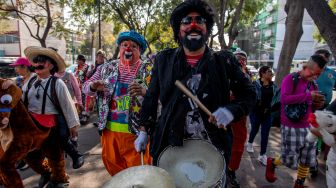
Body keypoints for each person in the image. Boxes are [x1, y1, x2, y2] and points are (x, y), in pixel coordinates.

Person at [135, 1, 256, 186]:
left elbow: (249, 94)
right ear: (178, 29)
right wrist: (143, 130)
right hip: (171, 144)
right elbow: (151, 98)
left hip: (212, 148)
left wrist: (231, 111)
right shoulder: (163, 60)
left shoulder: (224, 61)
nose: (193, 25)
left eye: (199, 20)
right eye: (186, 21)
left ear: (206, 28)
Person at [83, 30, 152, 176]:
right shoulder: (106, 68)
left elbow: (160, 97)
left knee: (139, 175)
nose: (128, 48)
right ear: (120, 48)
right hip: (110, 133)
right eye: (124, 45)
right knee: (116, 173)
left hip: (136, 134)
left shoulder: (148, 69)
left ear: (139, 51)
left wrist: (145, 92)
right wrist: (94, 86)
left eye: (133, 46)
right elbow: (85, 87)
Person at [265, 55, 327, 188]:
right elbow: (285, 99)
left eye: (319, 74)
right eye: (313, 72)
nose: (315, 77)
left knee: (307, 158)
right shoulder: (291, 79)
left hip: (309, 126)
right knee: (289, 159)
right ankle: (272, 162)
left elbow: (310, 105)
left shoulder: (313, 84)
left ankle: (299, 184)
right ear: (306, 67)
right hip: (290, 125)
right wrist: (308, 95)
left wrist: (318, 103)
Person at [23, 46, 84, 170]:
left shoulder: (57, 83)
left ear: (51, 66)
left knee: (61, 139)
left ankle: (75, 155)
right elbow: (21, 98)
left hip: (52, 121)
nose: (38, 64)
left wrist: (72, 125)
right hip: (33, 121)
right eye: (36, 61)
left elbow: (67, 104)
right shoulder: (30, 82)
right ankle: (42, 170)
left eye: (42, 61)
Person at [226, 49, 251, 188]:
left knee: (237, 147)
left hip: (239, 120)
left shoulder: (247, 76)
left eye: (243, 58)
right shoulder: (223, 74)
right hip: (221, 118)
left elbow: (251, 98)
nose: (240, 61)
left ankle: (231, 171)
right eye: (238, 58)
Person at [9, 57, 35, 171]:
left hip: (32, 115)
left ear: (25, 67)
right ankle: (23, 159)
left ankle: (27, 159)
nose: (16, 70)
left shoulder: (34, 79)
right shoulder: (22, 79)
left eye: (17, 67)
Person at [246, 66, 276, 166]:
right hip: (256, 112)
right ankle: (250, 143)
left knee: (265, 133)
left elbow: (275, 99)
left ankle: (262, 155)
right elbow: (251, 98)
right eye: (269, 72)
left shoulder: (273, 86)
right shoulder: (255, 84)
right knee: (254, 129)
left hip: (267, 113)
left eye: (271, 72)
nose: (271, 73)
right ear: (262, 73)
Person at [74, 54, 90, 123]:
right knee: (79, 101)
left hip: (84, 87)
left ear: (81, 60)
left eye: (78, 60)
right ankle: (80, 115)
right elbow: (75, 75)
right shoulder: (77, 67)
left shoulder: (86, 67)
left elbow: (85, 75)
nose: (77, 61)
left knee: (84, 101)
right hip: (78, 87)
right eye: (77, 60)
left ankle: (84, 116)